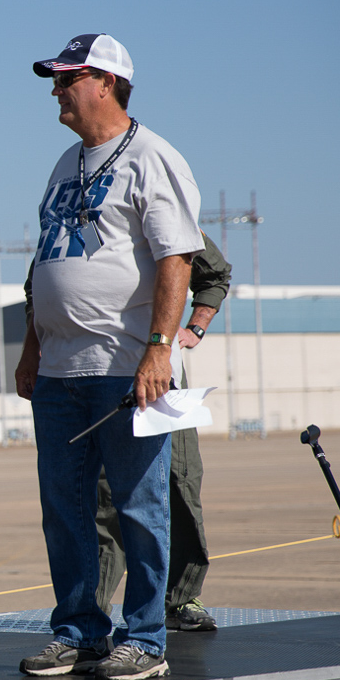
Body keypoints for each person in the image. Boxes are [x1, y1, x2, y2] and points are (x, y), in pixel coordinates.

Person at [15, 33, 202, 680]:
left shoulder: (153, 158)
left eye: (67, 79)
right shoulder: (64, 163)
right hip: (59, 373)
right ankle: (80, 631)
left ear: (106, 83)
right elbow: (45, 263)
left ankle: (145, 637)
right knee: (64, 510)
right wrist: (33, 346)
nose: (57, 90)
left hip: (126, 369)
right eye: (56, 79)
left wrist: (158, 350)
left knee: (140, 507)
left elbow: (177, 259)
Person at [95, 232, 230, 630]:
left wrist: (196, 327)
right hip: (97, 383)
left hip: (163, 387)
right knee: (105, 499)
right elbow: (38, 288)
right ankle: (94, 610)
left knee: (179, 484)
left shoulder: (167, 217)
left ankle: (181, 598)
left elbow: (215, 275)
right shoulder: (69, 219)